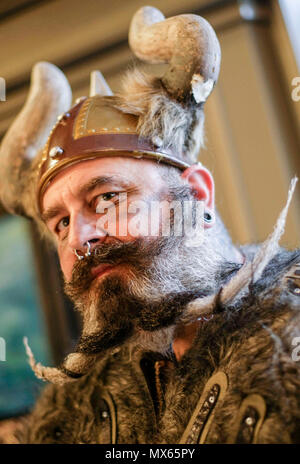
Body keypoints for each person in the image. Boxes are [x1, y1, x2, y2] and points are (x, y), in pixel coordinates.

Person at [0, 6, 299, 444]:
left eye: (106, 198)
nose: (80, 237)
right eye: (61, 223)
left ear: (196, 194)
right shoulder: (74, 404)